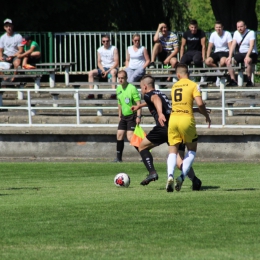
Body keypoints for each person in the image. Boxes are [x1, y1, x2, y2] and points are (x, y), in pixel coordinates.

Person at [131, 74, 204, 191]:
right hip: (175, 127)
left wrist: (159, 113)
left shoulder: (149, 95)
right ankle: (195, 180)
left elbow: (154, 99)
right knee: (179, 161)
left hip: (163, 127)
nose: (141, 90)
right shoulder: (161, 94)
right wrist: (140, 106)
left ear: (145, 87)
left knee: (142, 147)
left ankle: (152, 172)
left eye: (140, 87)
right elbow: (158, 100)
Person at [167, 63, 211, 192]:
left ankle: (170, 175)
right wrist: (205, 115)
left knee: (172, 152)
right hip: (186, 120)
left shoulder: (174, 86)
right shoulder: (193, 85)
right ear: (188, 73)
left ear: (178, 74)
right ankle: (181, 176)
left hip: (173, 119)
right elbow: (200, 103)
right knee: (191, 150)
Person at [113, 70, 141, 162]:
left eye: (122, 78)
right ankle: (118, 158)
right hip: (124, 117)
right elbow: (119, 103)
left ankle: (143, 154)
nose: (120, 80)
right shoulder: (118, 89)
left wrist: (138, 116)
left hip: (132, 116)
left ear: (126, 78)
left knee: (130, 137)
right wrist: (119, 114)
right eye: (119, 78)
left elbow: (138, 103)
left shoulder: (132, 88)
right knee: (119, 135)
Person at [226, 20, 258, 87]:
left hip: (251, 53)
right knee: (229, 61)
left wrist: (247, 56)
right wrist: (229, 56)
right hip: (241, 53)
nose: (239, 28)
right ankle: (233, 80)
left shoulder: (251, 32)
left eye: (241, 26)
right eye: (238, 27)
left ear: (245, 26)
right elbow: (233, 45)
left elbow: (251, 45)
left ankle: (249, 81)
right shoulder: (236, 33)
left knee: (247, 60)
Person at [87, 34, 119, 99]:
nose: (106, 42)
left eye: (107, 41)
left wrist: (108, 71)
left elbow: (116, 62)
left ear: (109, 41)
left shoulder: (114, 48)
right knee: (90, 73)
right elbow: (98, 62)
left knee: (112, 73)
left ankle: (113, 93)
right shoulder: (99, 49)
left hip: (112, 68)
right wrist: (103, 70)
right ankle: (91, 93)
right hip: (103, 69)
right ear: (102, 42)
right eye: (104, 41)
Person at [205, 21, 232, 86]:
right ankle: (219, 72)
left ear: (222, 27)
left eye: (219, 27)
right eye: (217, 27)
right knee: (207, 61)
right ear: (215, 28)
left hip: (225, 51)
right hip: (216, 52)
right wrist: (207, 56)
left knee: (222, 62)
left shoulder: (227, 34)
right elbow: (210, 46)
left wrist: (230, 56)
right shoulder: (213, 34)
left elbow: (230, 46)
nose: (218, 29)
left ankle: (219, 76)